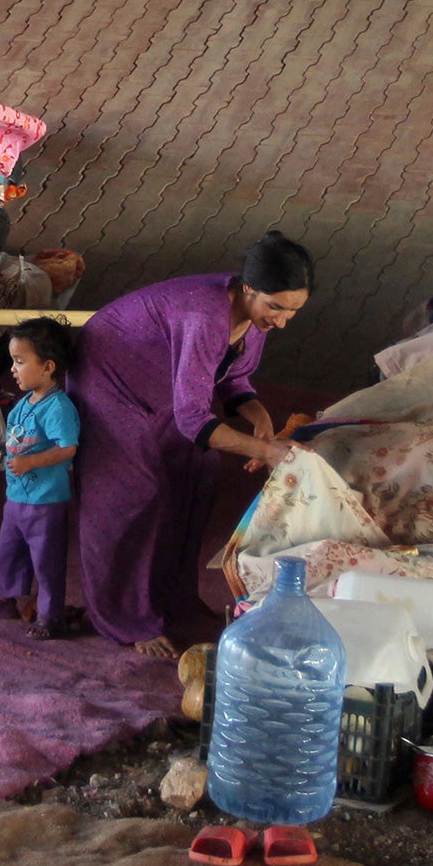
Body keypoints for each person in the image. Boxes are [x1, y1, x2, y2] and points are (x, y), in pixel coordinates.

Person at [69, 231, 313, 657]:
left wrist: (259, 419)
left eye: (294, 311)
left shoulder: (254, 314)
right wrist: (267, 452)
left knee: (198, 475)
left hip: (164, 387)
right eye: (276, 307)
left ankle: (171, 602)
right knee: (136, 493)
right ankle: (126, 618)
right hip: (110, 382)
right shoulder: (204, 315)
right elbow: (194, 419)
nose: (282, 321)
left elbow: (234, 378)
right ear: (249, 287)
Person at [0, 317, 79, 638]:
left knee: (46, 561)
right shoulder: (22, 405)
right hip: (16, 499)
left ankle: (49, 615)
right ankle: (6, 598)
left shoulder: (58, 407)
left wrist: (31, 463)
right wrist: (0, 451)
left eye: (19, 361)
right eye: (12, 361)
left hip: (45, 502)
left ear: (47, 367)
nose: (12, 368)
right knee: (9, 553)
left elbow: (67, 448)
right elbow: (17, 441)